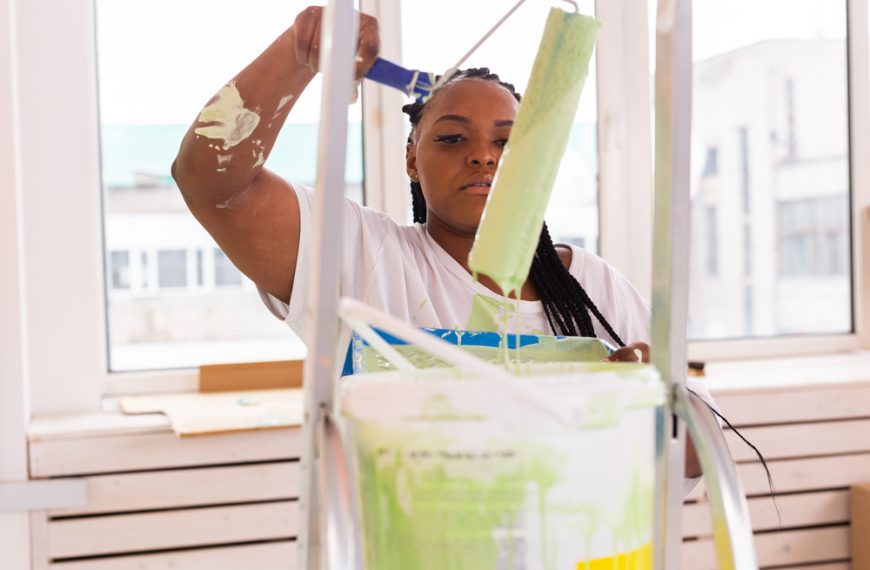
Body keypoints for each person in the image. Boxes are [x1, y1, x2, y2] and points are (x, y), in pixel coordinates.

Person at [172, 6, 704, 481]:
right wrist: (295, 54)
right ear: (411, 161)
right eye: (452, 138)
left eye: (507, 140)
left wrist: (651, 407)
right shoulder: (365, 259)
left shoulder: (590, 286)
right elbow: (211, 182)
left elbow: (694, 462)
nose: (483, 157)